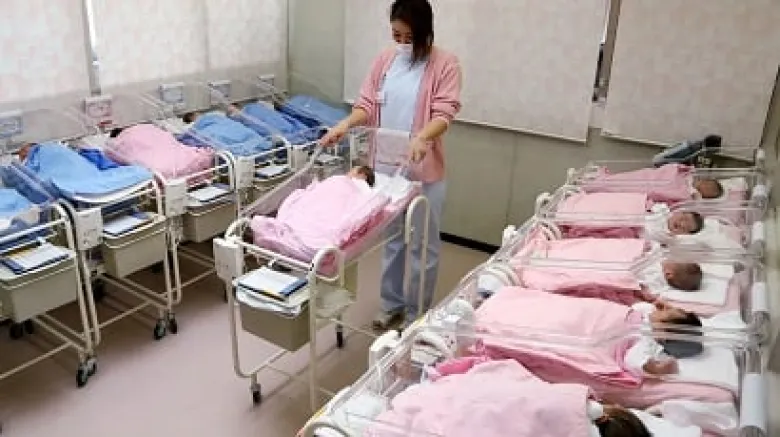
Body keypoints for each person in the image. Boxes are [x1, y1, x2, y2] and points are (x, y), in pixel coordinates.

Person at [320, 0, 462, 329]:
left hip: (423, 170)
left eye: (409, 37)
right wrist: (345, 124)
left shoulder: (445, 64)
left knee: (423, 244)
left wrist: (423, 137)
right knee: (393, 239)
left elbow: (445, 112)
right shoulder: (385, 61)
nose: (402, 43)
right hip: (386, 168)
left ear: (425, 32)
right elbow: (367, 104)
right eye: (396, 35)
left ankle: (417, 313)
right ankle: (391, 303)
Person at [625, 300, 703, 376]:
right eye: (668, 309)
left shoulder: (649, 340)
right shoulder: (648, 312)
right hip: (622, 318)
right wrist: (667, 308)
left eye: (666, 312)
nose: (662, 309)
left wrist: (654, 367)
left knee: (636, 357)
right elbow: (636, 307)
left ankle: (655, 369)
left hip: (626, 333)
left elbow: (632, 358)